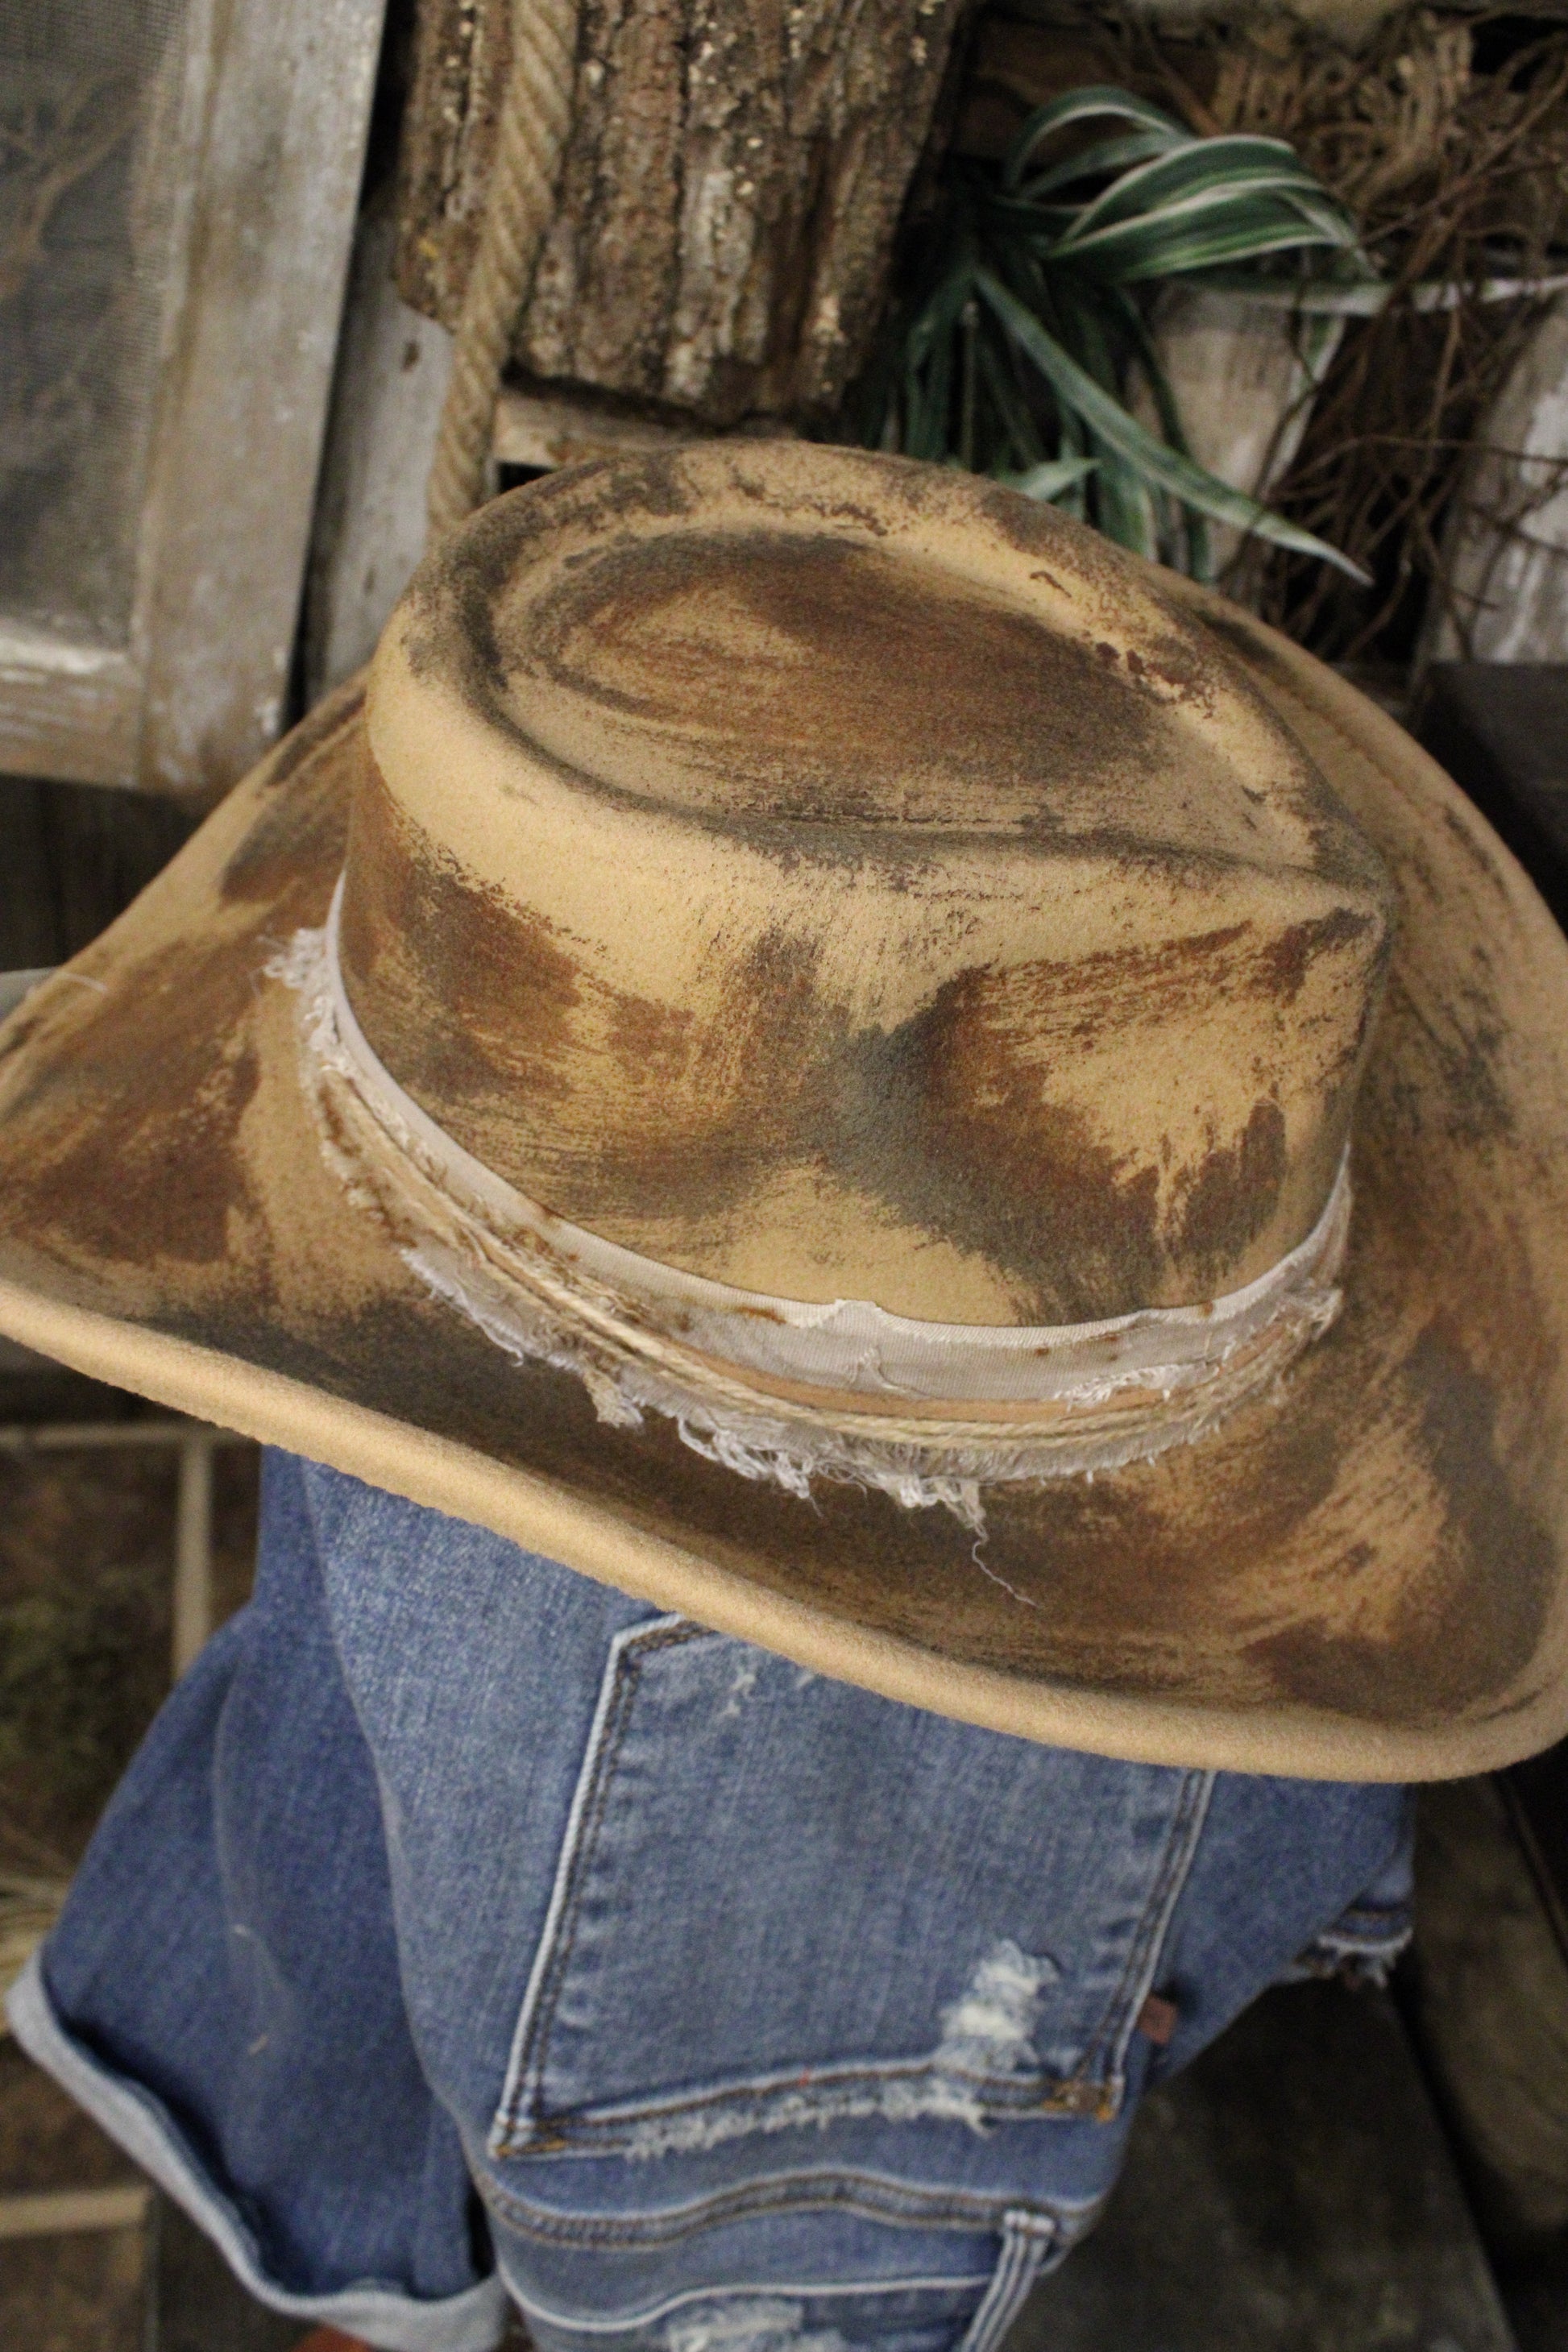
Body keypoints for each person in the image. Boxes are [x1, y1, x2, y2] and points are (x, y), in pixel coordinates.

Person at [3, 443, 1566, 2352]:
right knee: (378, 1735)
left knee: (571, 1891)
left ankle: (410, 2260)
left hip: (811, 1665)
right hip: (468, 1314)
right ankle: (386, 2254)